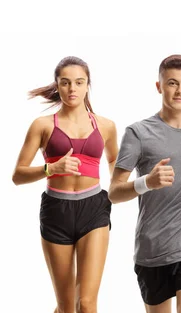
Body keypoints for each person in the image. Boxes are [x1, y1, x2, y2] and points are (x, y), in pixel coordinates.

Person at [108, 55, 181, 313]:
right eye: (172, 83)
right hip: (152, 250)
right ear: (159, 86)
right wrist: (147, 182)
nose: (180, 91)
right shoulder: (138, 132)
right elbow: (114, 192)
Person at [12, 56, 118, 313]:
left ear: (87, 85)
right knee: (66, 305)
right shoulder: (43, 125)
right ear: (57, 85)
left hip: (94, 208)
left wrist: (119, 189)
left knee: (88, 302)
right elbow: (18, 175)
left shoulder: (105, 125)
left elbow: (115, 160)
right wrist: (51, 168)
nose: (72, 89)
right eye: (66, 82)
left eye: (79, 82)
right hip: (56, 210)